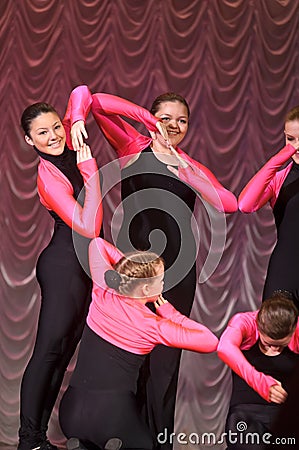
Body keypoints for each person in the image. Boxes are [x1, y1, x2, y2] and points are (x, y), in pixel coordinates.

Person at [65, 85, 237, 448]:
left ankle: (159, 443)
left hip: (176, 273)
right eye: (165, 117)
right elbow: (91, 99)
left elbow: (230, 203)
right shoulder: (132, 147)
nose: (174, 125)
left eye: (182, 121)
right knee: (127, 359)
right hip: (132, 270)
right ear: (150, 117)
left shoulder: (189, 164)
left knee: (164, 368)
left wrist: (186, 168)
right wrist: (135, 119)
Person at [59, 237, 219, 450]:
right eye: (160, 280)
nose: (163, 285)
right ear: (145, 290)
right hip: (111, 419)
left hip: (70, 413)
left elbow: (97, 244)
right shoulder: (153, 325)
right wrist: (168, 311)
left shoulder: (103, 291)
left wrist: (128, 272)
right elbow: (210, 341)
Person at [18, 102, 102, 450]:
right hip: (64, 265)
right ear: (29, 140)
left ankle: (39, 439)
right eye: (42, 133)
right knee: (48, 351)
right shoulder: (48, 175)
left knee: (64, 351)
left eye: (56, 127)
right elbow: (88, 225)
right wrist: (91, 171)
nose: (53, 136)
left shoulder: (70, 135)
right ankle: (28, 440)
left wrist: (78, 118)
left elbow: (85, 94)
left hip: (83, 267)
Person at [217, 295, 299, 449]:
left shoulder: (298, 327)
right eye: (268, 343)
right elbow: (224, 348)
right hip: (246, 413)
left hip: (285, 415)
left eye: (282, 344)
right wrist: (262, 384)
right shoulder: (245, 322)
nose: (274, 350)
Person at [238, 106, 299, 311]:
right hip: (285, 272)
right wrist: (276, 161)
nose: (296, 147)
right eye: (290, 139)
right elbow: (246, 205)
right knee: (276, 337)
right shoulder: (279, 178)